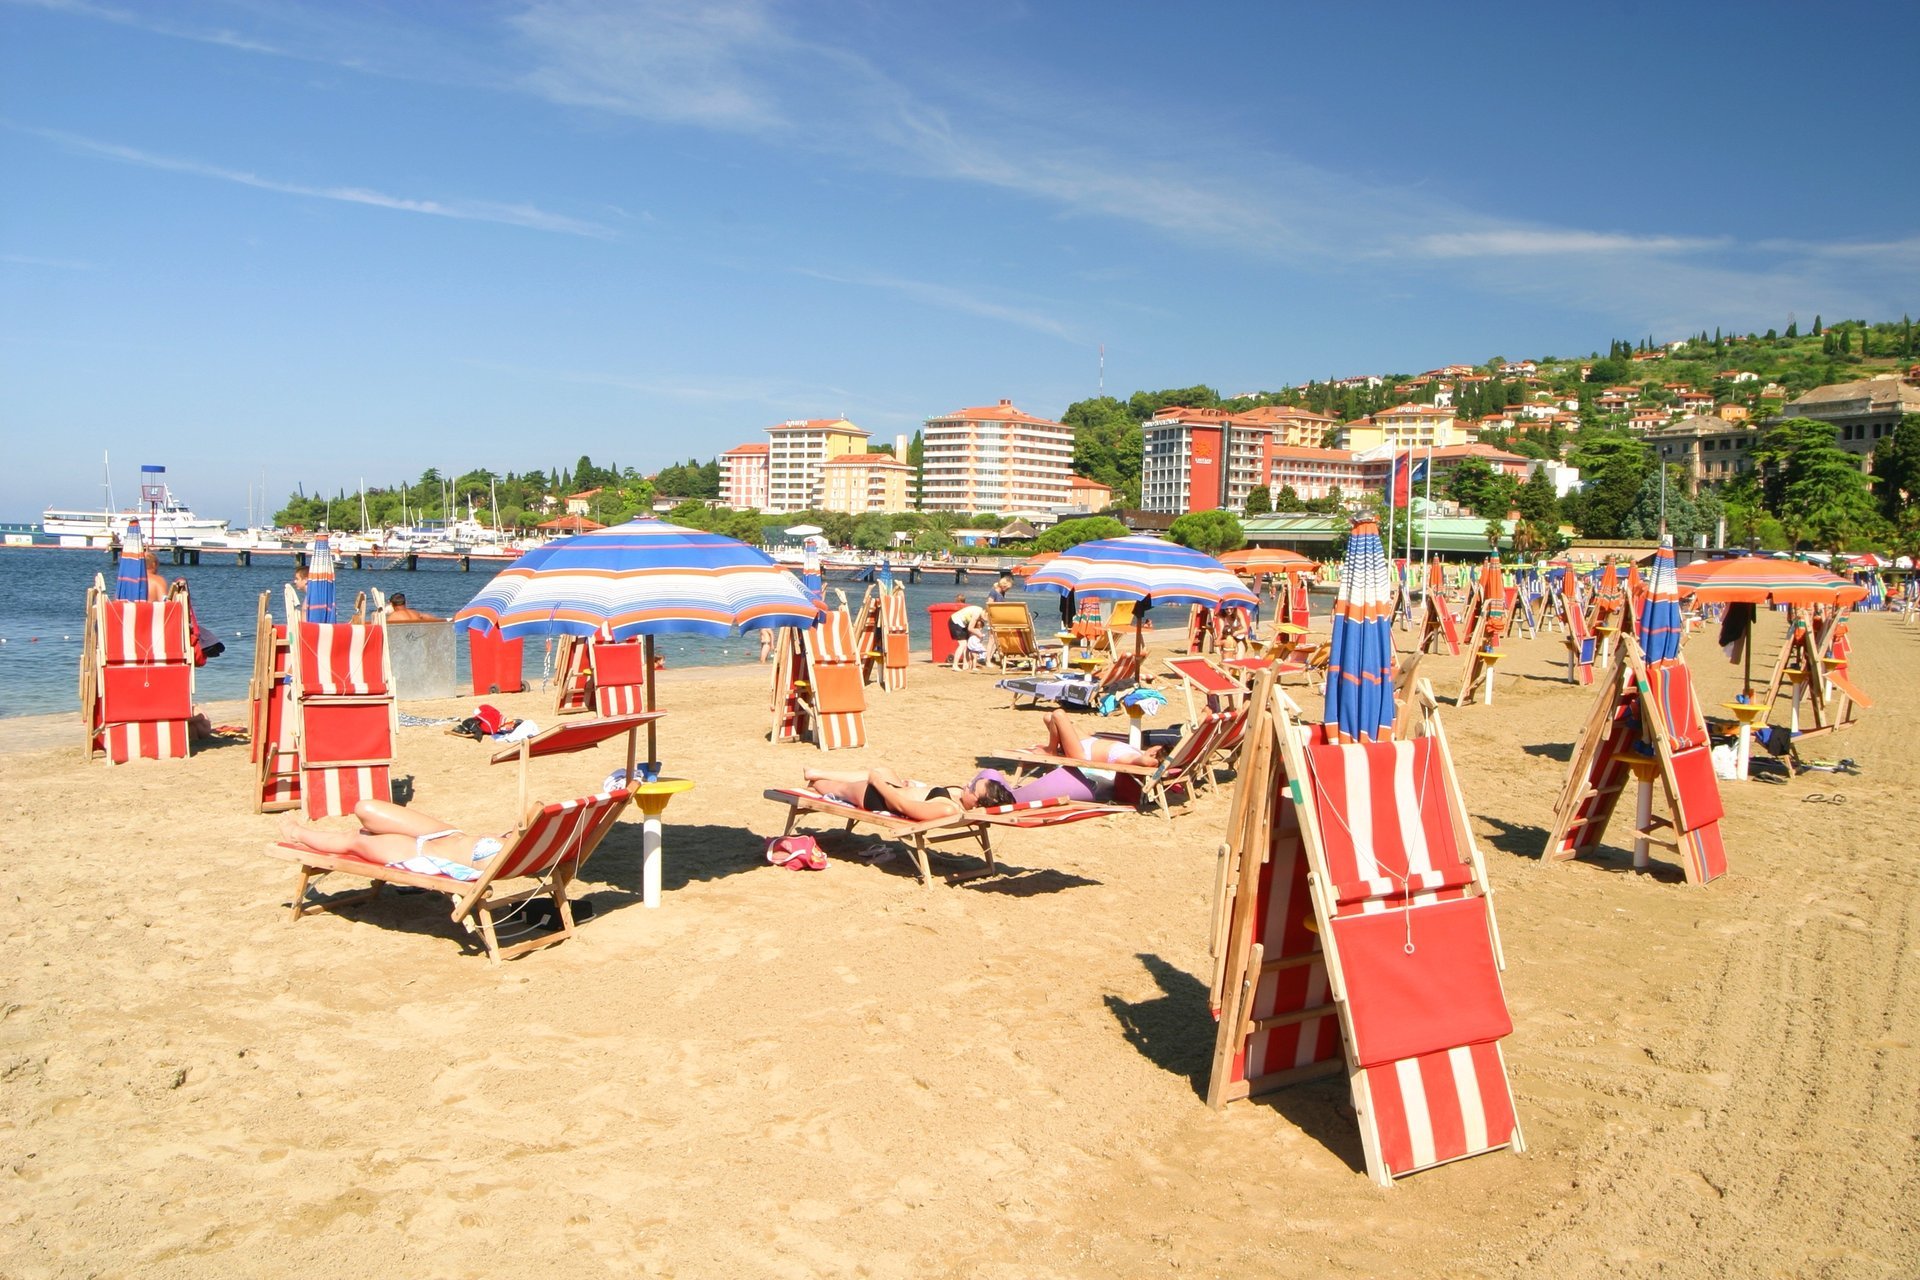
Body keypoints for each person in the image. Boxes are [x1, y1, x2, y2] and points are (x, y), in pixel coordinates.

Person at [276, 799, 510, 882]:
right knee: (365, 808)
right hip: (446, 834)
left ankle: (296, 833)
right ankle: (300, 832)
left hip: (421, 852)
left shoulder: (520, 856)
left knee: (354, 838)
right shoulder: (535, 844)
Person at [980, 707, 1161, 803]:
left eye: (1157, 753)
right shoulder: (1138, 750)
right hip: (1088, 743)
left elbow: (1146, 762)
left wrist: (1155, 759)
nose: (1155, 750)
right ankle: (1054, 746)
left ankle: (1052, 749)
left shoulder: (1135, 759)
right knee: (1048, 717)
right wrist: (1158, 750)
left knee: (1059, 714)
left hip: (1082, 755)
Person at [802, 764, 1014, 820]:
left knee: (835, 788)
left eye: (972, 787)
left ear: (977, 803)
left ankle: (816, 781)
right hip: (898, 791)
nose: (968, 784)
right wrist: (914, 786)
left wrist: (879, 784)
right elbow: (927, 794)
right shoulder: (959, 801)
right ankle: (817, 772)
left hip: (881, 799)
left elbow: (902, 806)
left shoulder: (947, 810)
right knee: (885, 771)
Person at [948, 596, 986, 670]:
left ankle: (966, 663)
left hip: (962, 624)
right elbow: (970, 628)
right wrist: (979, 634)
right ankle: (955, 665)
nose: (984, 620)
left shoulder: (979, 611)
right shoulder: (977, 613)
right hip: (956, 622)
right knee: (963, 644)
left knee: (967, 643)